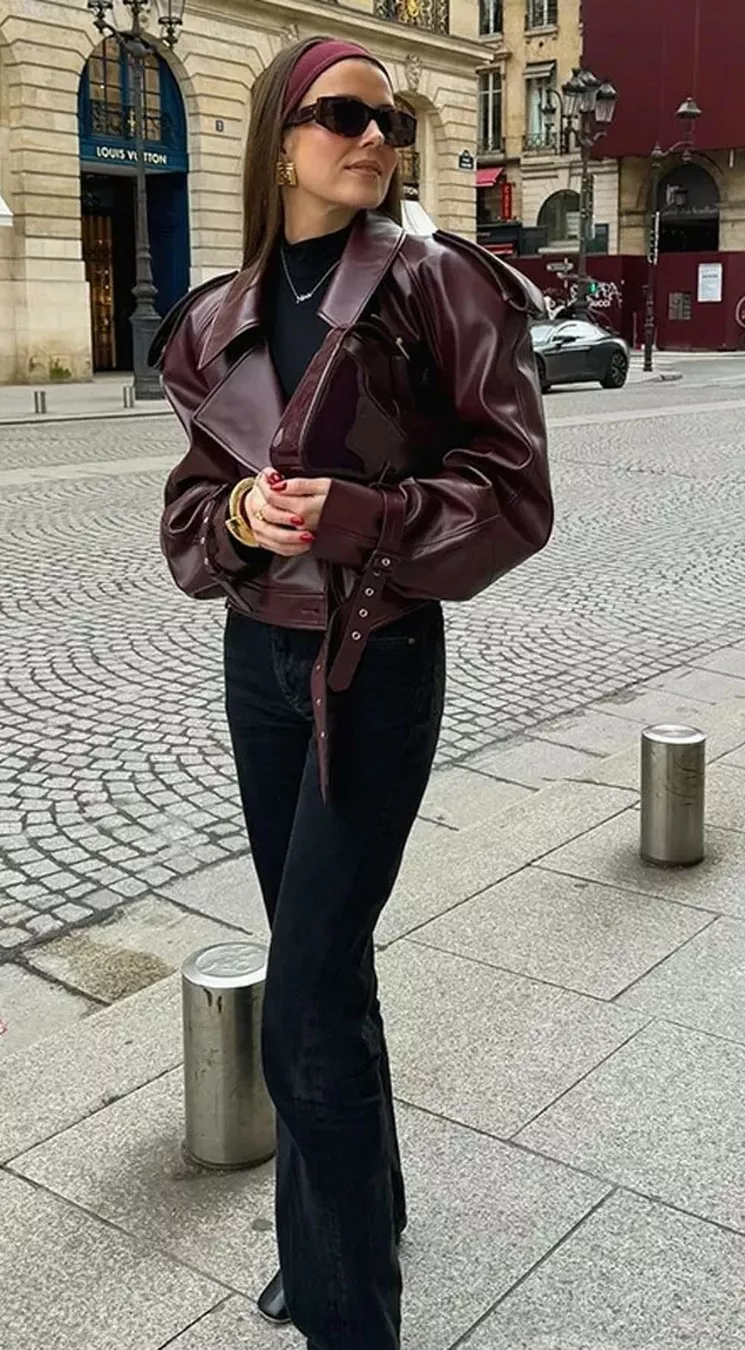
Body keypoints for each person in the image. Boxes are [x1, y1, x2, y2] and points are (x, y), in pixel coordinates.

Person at [154, 35, 553, 1350]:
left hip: (375, 663)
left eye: (389, 122)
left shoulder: (439, 285)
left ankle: (346, 1312)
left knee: (304, 1003)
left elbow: (515, 495)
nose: (375, 138)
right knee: (327, 963)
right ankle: (352, 1221)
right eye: (343, 114)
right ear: (282, 138)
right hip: (258, 665)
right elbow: (188, 521)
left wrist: (362, 516)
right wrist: (242, 522)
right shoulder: (217, 315)